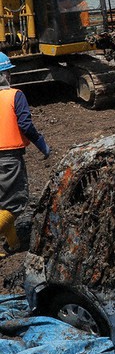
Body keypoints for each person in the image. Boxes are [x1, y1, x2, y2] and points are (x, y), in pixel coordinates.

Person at [0, 53, 50, 256]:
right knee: (15, 203)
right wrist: (42, 145)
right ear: (6, 75)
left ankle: (12, 243)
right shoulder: (14, 95)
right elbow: (26, 125)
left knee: (2, 203)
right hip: (8, 158)